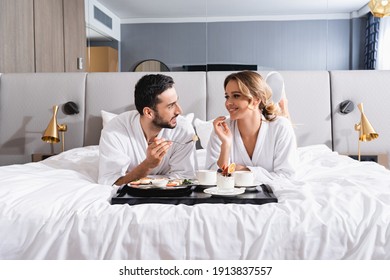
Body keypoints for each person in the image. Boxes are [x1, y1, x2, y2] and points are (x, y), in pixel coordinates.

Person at [98, 74, 197, 186]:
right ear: (149, 112)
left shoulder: (183, 130)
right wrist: (148, 164)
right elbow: (111, 182)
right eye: (171, 106)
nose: (179, 111)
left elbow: (185, 178)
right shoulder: (114, 131)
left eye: (177, 102)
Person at [205, 71, 297, 184]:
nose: (228, 102)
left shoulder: (281, 127)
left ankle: (283, 105)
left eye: (236, 96)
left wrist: (244, 170)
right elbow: (211, 175)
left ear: (256, 100)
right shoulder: (222, 129)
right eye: (227, 96)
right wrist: (226, 144)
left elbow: (287, 176)